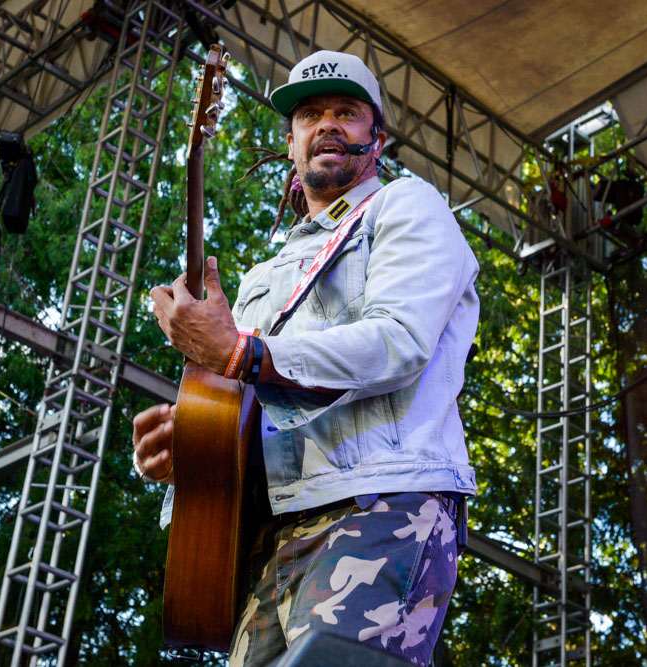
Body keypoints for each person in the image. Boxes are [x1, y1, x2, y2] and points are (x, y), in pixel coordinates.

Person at [132, 50, 480, 666]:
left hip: (382, 501)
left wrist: (241, 351)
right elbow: (247, 396)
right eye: (310, 115)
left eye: (346, 112)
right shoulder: (260, 278)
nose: (327, 125)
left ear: (377, 139)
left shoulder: (407, 206)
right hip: (271, 533)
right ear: (291, 143)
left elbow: (397, 340)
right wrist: (196, 444)